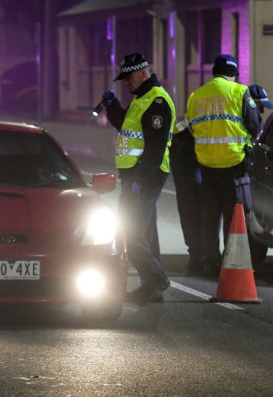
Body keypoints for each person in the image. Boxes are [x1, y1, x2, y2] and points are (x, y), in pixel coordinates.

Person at [100, 53, 175, 303]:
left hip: (145, 175)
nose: (126, 83)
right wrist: (112, 107)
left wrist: (140, 180)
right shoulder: (141, 99)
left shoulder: (157, 102)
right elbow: (127, 126)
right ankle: (151, 287)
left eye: (129, 77)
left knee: (130, 232)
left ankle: (156, 278)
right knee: (145, 232)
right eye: (123, 79)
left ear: (143, 73)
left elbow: (155, 147)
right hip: (135, 174)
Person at [185, 54, 261, 276]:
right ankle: (233, 262)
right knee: (234, 215)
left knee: (209, 215)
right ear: (234, 74)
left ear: (214, 72)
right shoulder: (240, 91)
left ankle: (209, 261)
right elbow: (255, 125)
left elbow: (189, 126)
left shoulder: (196, 95)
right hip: (233, 164)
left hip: (206, 165)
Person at [170, 117, 202, 275]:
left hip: (193, 167)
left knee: (191, 211)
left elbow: (175, 132)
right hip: (191, 167)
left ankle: (199, 254)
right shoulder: (187, 119)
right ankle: (200, 254)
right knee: (193, 211)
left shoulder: (189, 116)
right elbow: (176, 132)